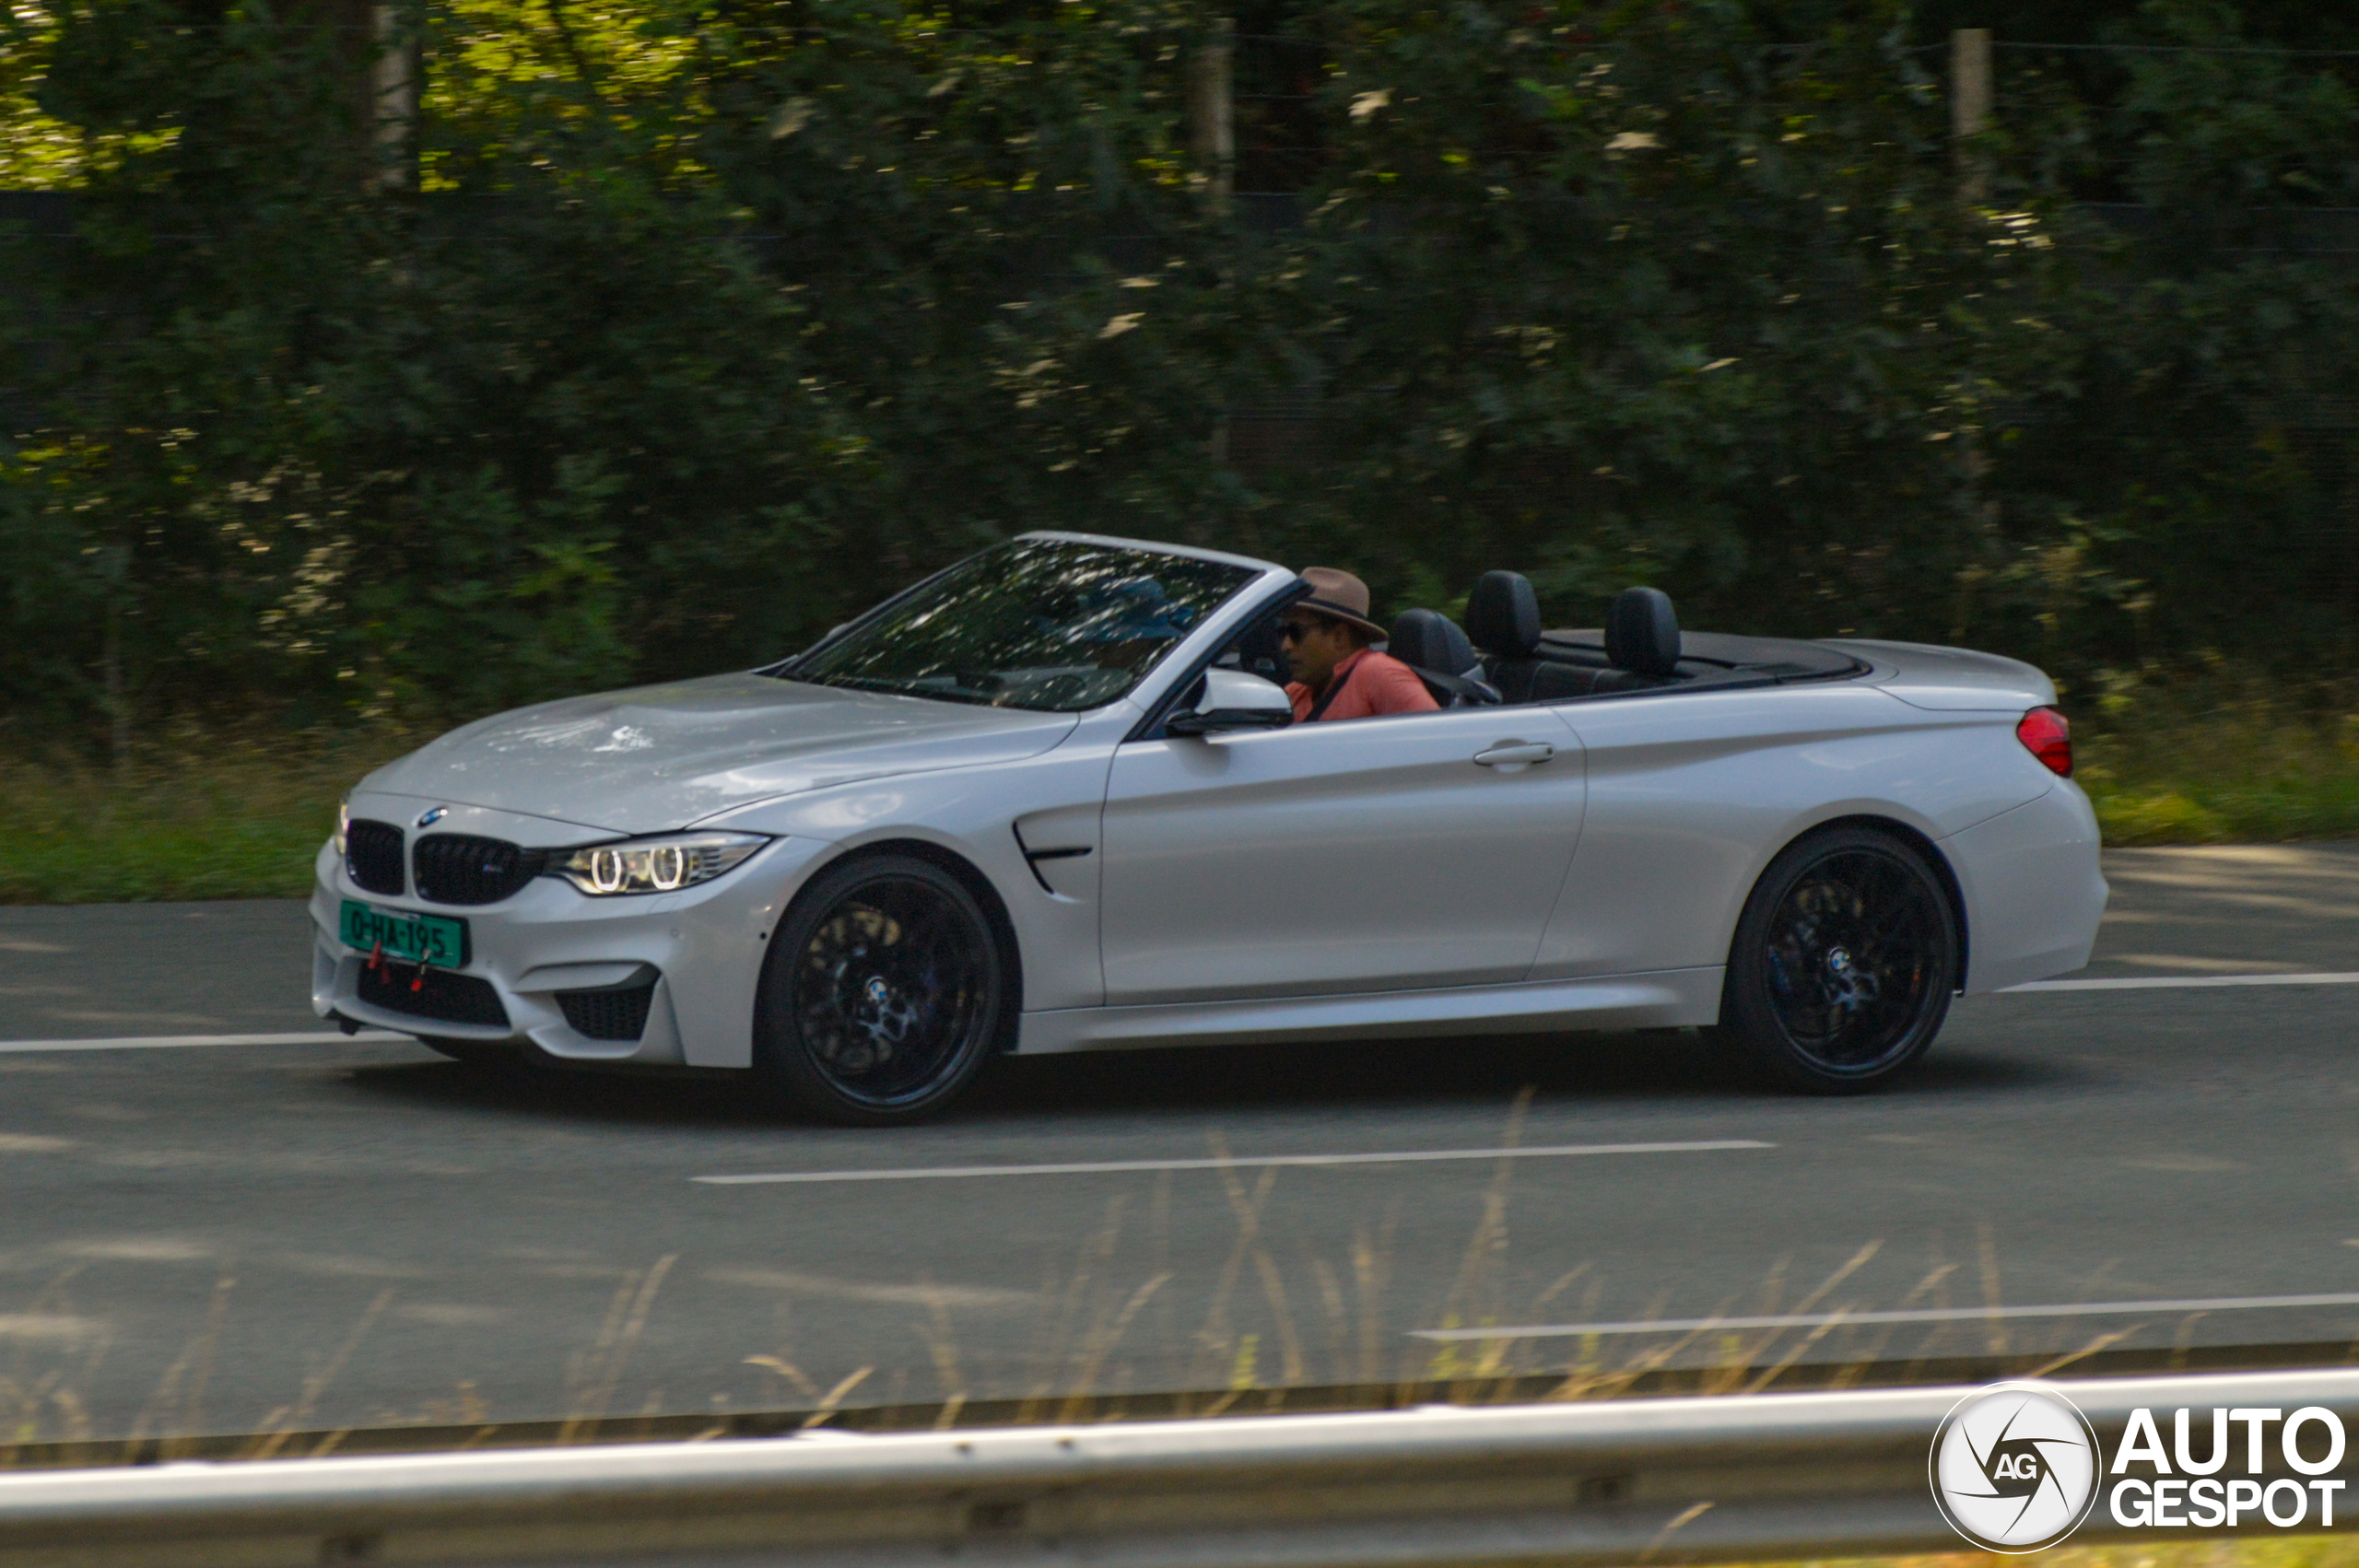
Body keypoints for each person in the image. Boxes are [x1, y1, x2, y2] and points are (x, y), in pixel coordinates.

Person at [1281, 568, 1440, 723]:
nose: (1285, 646)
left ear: (1340, 637)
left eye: (1296, 632)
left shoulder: (1379, 674)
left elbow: (1437, 739)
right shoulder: (1296, 693)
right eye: (1283, 631)